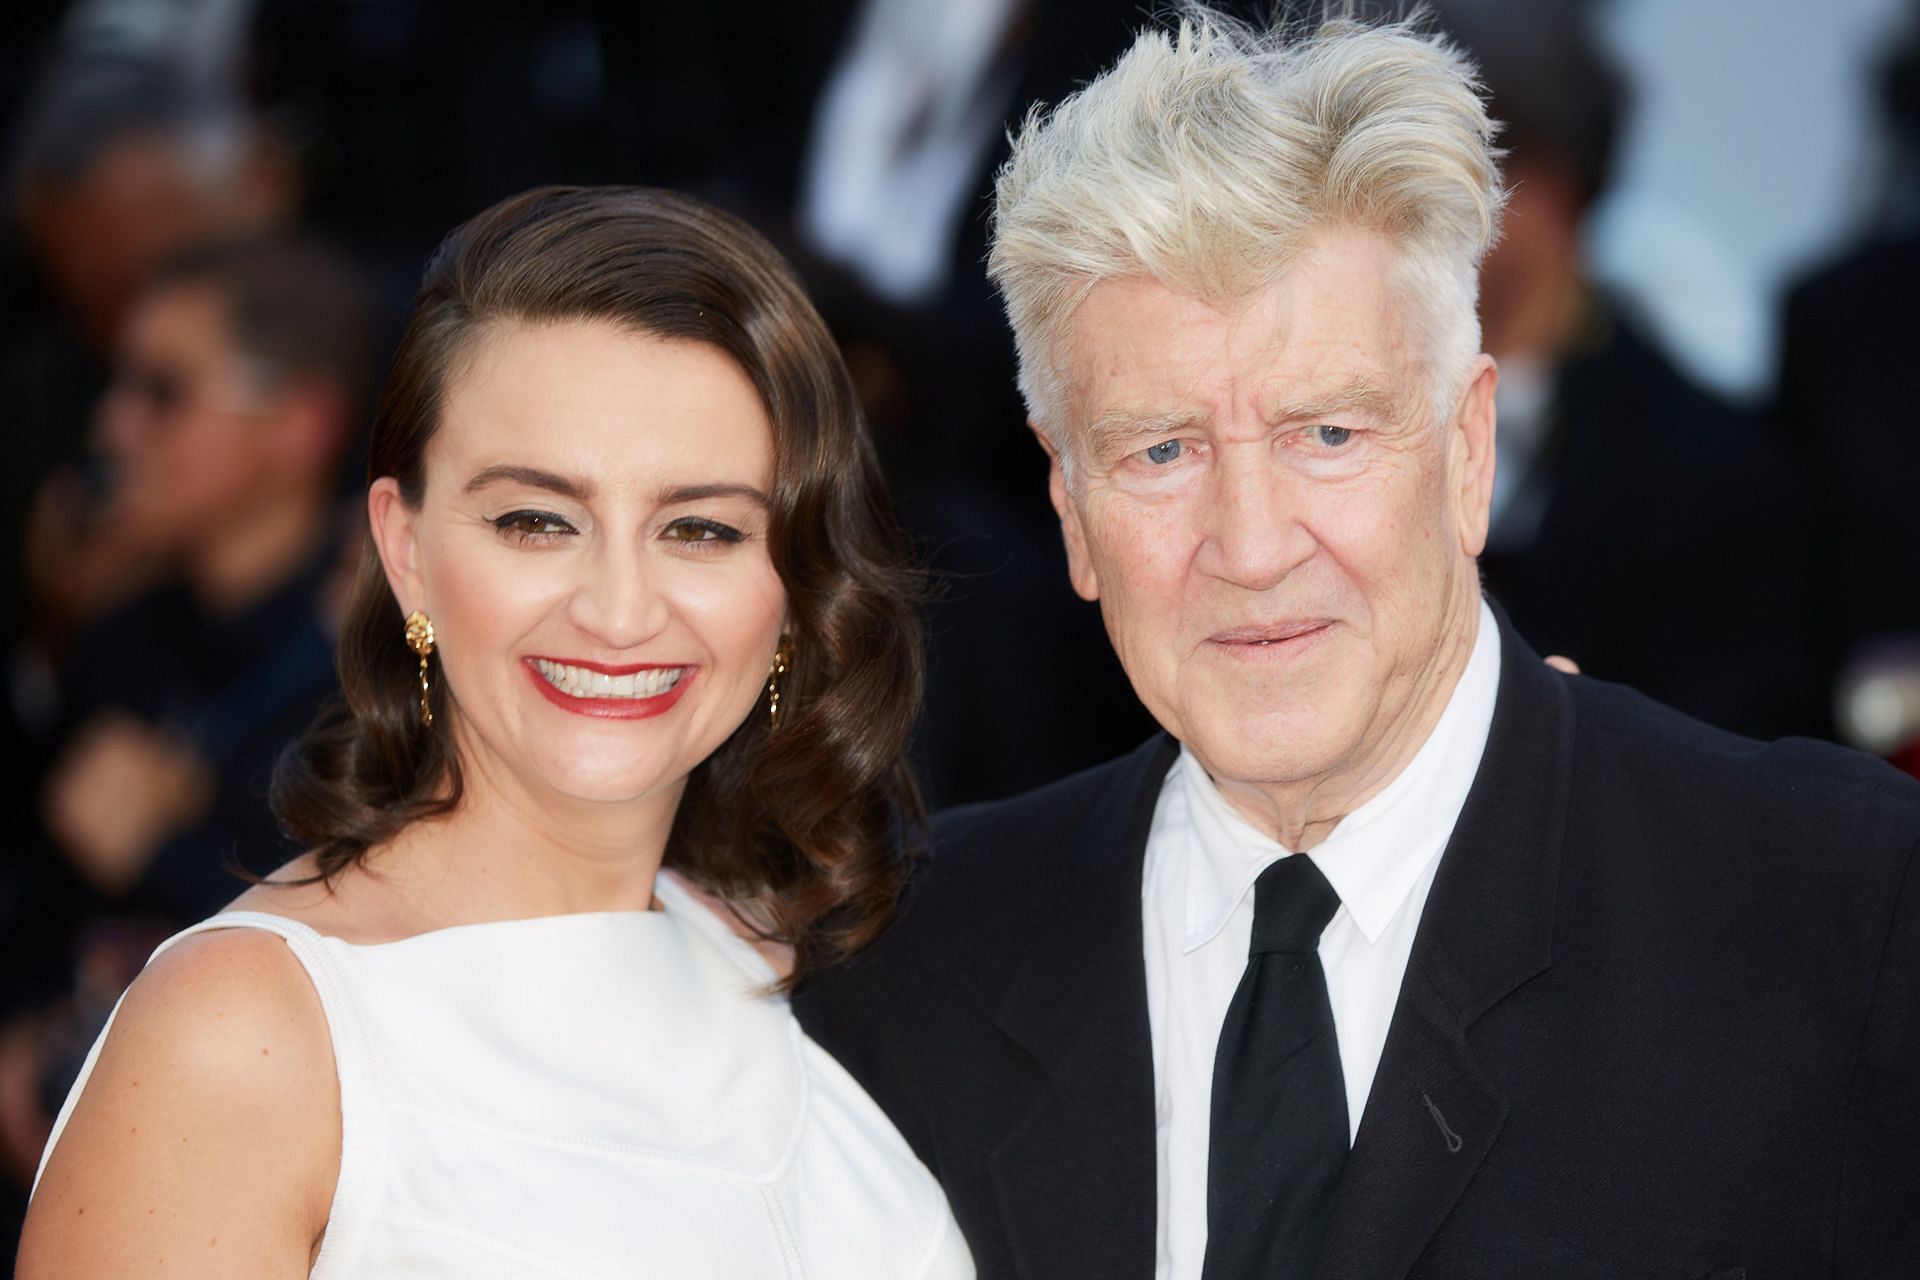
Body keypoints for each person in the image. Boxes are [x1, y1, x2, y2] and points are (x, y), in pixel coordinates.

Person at [794, 12, 1920, 1280]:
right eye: (1161, 450)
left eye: (1327, 432)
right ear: (1071, 509)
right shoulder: (904, 971)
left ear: (1469, 452)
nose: (1253, 542)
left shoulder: (1838, 911)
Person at [18, 186, 971, 1278]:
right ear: (407, 548)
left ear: (794, 585)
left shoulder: (792, 977)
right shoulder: (248, 1037)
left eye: (699, 527)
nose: (618, 609)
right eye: (537, 520)